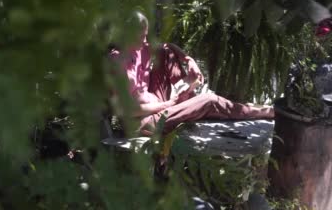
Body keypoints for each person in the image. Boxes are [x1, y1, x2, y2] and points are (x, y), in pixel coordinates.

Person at [112, 12, 274, 135]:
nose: (145, 41)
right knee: (209, 101)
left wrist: (189, 60)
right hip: (144, 121)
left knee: (164, 52)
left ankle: (189, 97)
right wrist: (166, 105)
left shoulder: (139, 48)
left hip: (156, 104)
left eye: (146, 35)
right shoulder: (117, 62)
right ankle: (262, 112)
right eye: (141, 36)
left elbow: (167, 47)